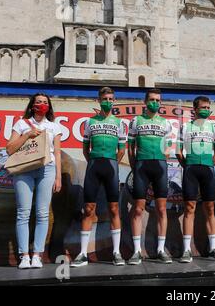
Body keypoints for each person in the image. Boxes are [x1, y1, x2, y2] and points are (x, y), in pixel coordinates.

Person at [71, 87, 127, 267]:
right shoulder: (90, 122)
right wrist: (94, 161)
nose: (108, 101)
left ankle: (116, 253)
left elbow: (122, 149)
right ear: (99, 100)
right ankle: (82, 254)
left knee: (114, 209)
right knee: (88, 209)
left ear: (114, 101)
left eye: (111, 99)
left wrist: (112, 162)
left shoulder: (119, 123)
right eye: (105, 98)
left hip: (111, 165)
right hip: (94, 165)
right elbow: (85, 148)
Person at [7, 93, 62, 269]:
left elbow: (58, 153)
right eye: (38, 102)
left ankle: (37, 254)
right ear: (32, 105)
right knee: (23, 213)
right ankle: (24, 256)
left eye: (45, 102)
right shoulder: (22, 123)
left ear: (49, 106)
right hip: (25, 169)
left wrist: (59, 176)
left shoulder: (54, 126)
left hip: (47, 169)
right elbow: (9, 149)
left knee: (43, 213)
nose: (42, 105)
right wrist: (27, 135)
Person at [176, 96, 215, 263]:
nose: (206, 109)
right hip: (190, 169)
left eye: (208, 107)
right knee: (189, 208)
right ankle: (186, 250)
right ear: (195, 109)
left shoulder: (213, 126)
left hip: (207, 170)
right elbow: (178, 151)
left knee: (210, 208)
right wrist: (188, 165)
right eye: (203, 107)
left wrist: (208, 165)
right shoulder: (185, 126)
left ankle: (213, 247)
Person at [127, 88, 173, 264]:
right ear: (145, 102)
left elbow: (169, 147)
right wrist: (135, 165)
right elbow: (131, 147)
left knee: (161, 209)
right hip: (141, 166)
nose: (155, 102)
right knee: (138, 209)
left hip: (160, 166)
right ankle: (136, 251)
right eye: (152, 99)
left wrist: (163, 158)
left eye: (158, 100)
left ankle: (161, 250)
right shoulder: (136, 120)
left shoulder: (166, 123)